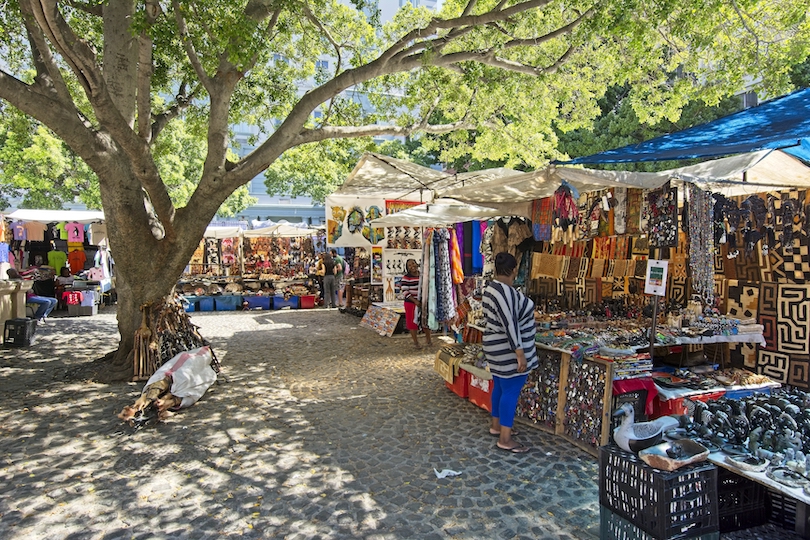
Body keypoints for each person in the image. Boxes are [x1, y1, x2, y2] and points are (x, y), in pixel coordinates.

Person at [482, 252, 538, 453]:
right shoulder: (504, 292)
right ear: (515, 269)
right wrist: (520, 353)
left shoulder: (491, 288)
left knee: (499, 386)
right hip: (507, 350)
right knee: (511, 391)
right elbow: (509, 323)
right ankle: (505, 439)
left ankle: (497, 426)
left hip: (495, 347)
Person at [401, 259, 432, 349]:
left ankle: (428, 340)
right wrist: (415, 301)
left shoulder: (422, 275)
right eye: (409, 265)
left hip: (422, 302)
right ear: (407, 268)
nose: (412, 266)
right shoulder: (406, 278)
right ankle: (416, 342)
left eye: (413, 263)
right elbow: (405, 291)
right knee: (412, 323)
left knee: (425, 321)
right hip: (411, 303)